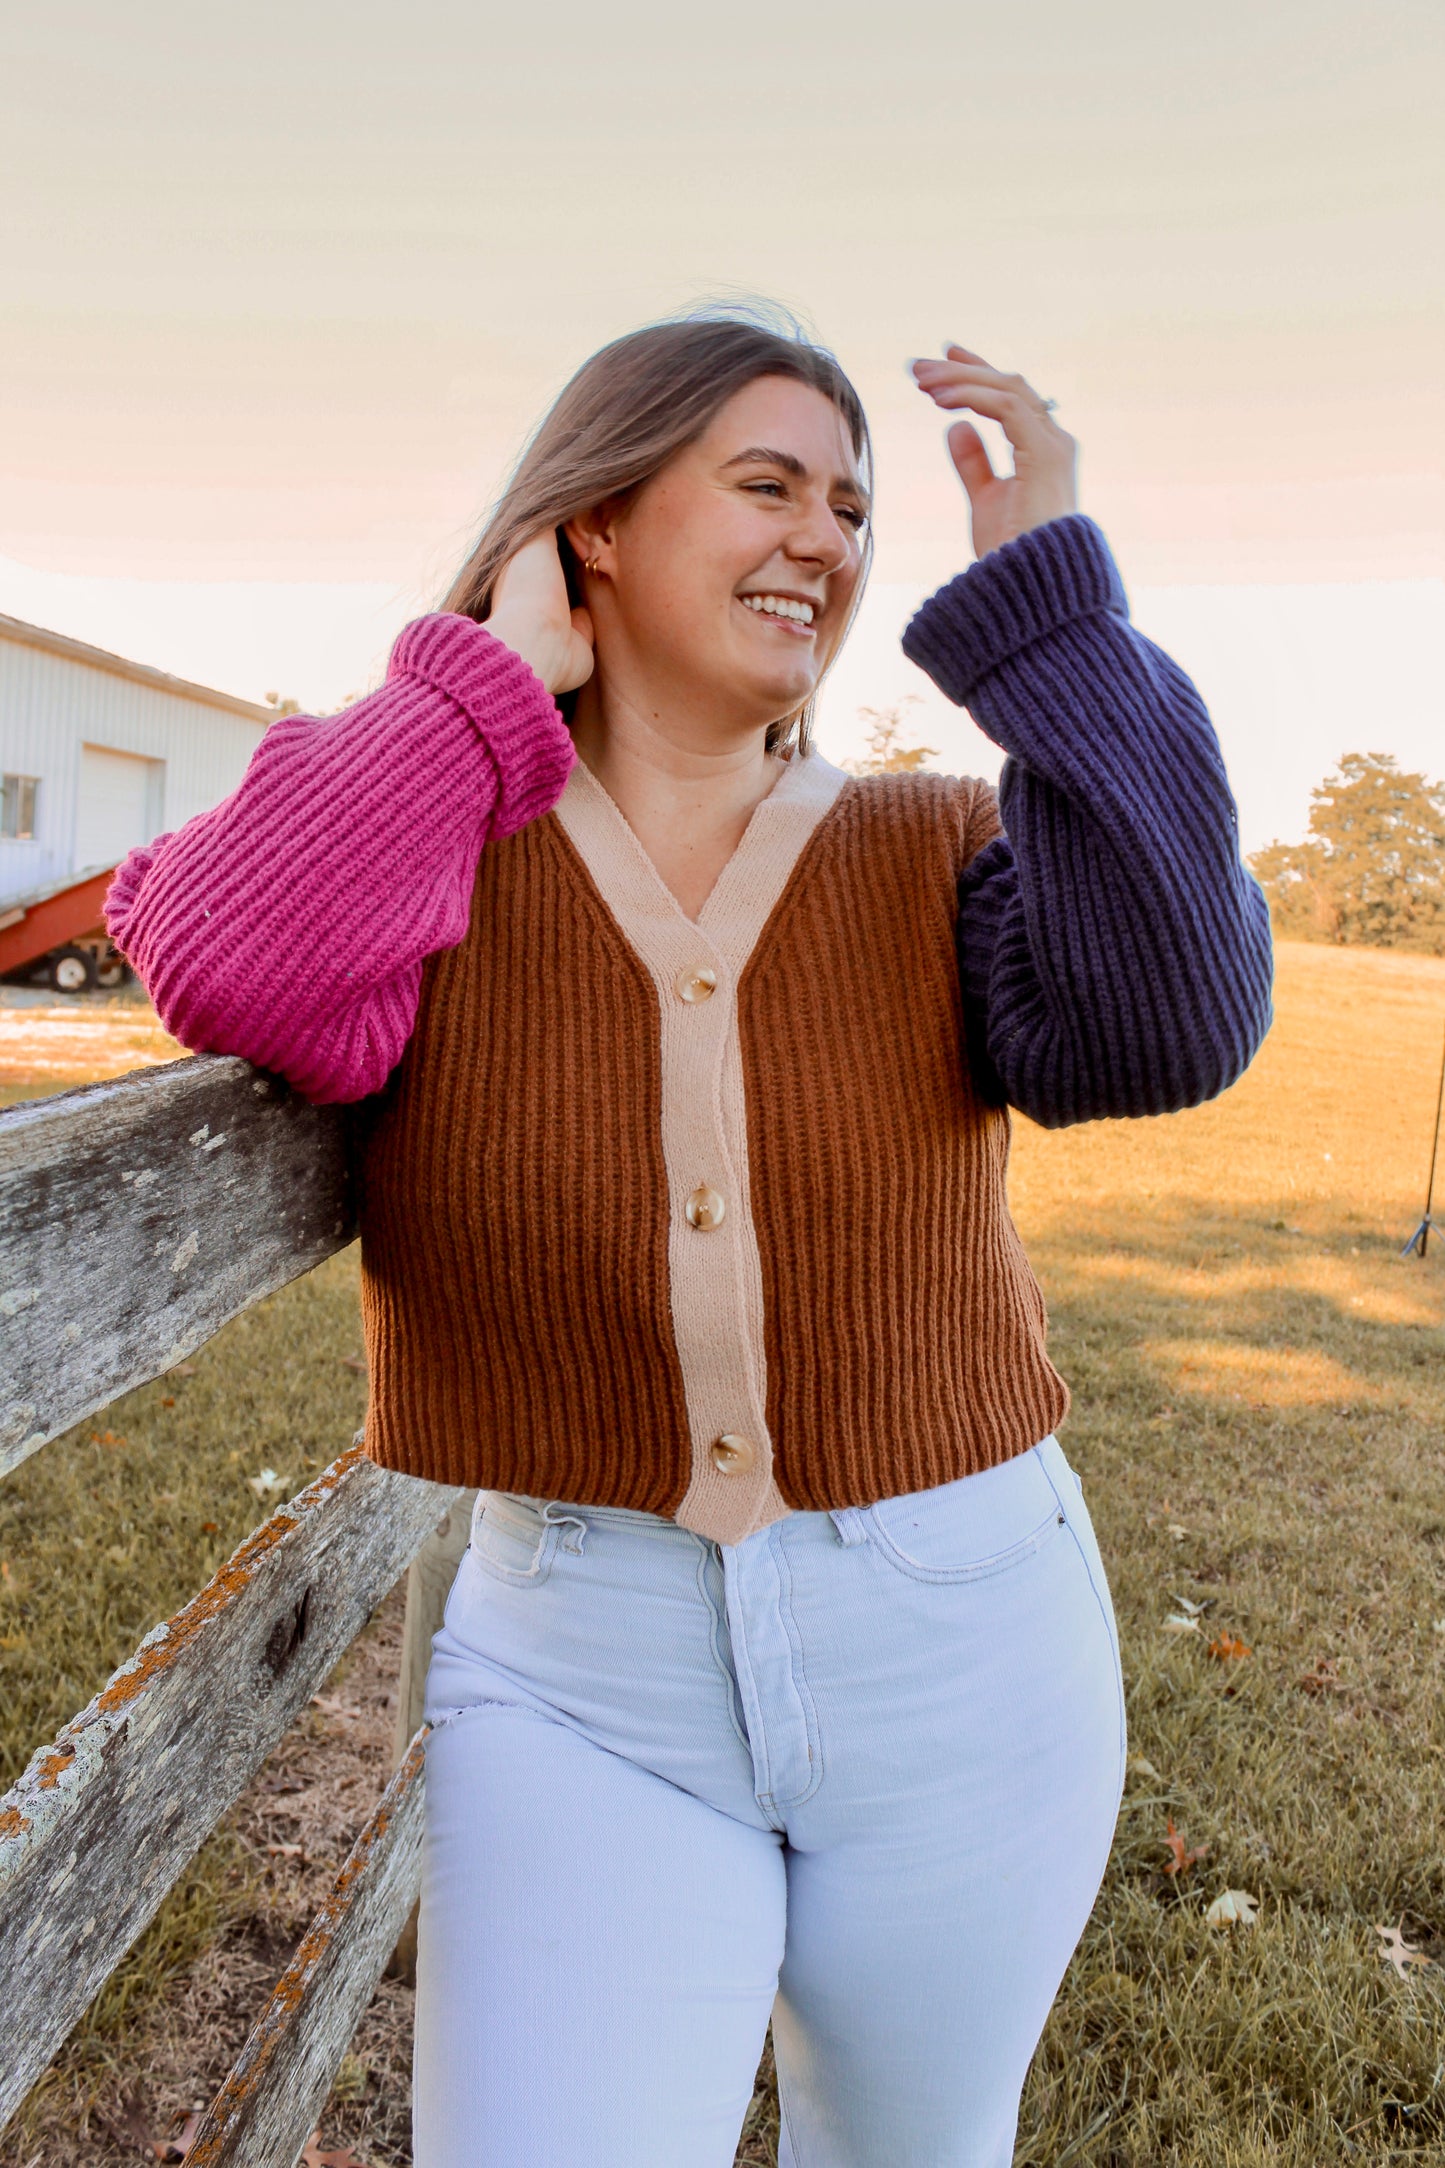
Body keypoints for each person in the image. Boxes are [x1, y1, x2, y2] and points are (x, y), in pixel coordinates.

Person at [105, 308, 1273, 2168]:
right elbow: (235, 957)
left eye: (849, 503)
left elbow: (1175, 1018)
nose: (826, 536)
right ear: (592, 525)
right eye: (765, 486)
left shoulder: (931, 848)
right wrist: (480, 695)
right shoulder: (423, 837)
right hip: (586, 1676)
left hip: (964, 1641)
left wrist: (1046, 607)